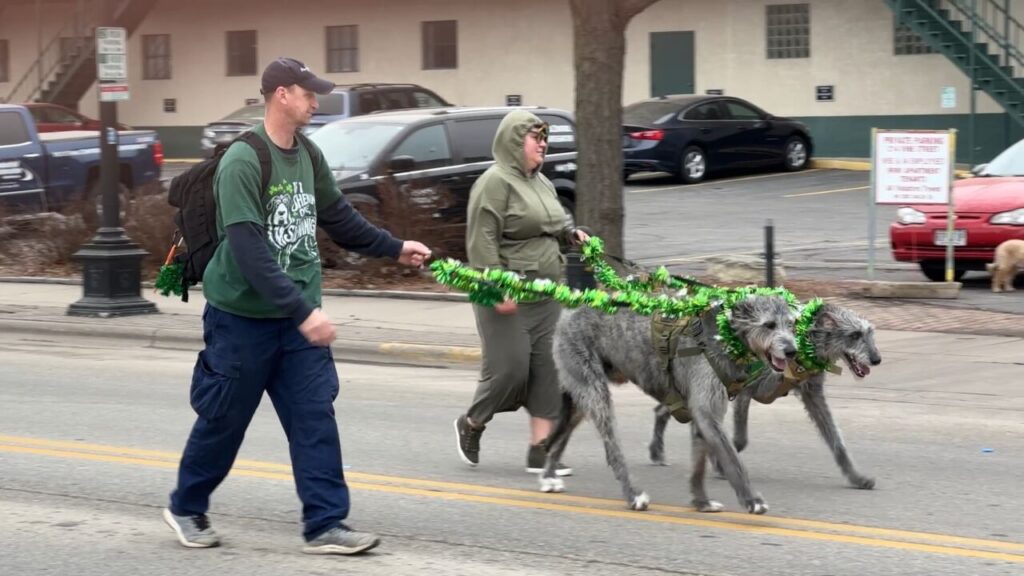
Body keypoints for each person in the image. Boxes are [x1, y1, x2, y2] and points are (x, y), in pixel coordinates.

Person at [163, 57, 431, 556]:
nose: (315, 101)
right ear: (282, 94)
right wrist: (302, 310)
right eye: (309, 93)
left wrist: (393, 247)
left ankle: (325, 523)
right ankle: (186, 505)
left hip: (297, 323)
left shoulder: (308, 154)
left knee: (314, 418)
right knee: (224, 422)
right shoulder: (243, 161)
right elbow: (248, 249)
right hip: (243, 319)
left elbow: (340, 218)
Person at [453, 109, 589, 475]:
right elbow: (481, 240)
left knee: (549, 369)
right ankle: (472, 423)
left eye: (545, 138)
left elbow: (554, 225)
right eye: (536, 137)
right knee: (509, 370)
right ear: (515, 142)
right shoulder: (494, 183)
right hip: (503, 291)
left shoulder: (541, 183)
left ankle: (540, 450)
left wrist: (572, 236)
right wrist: (497, 286)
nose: (543, 144)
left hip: (547, 293)